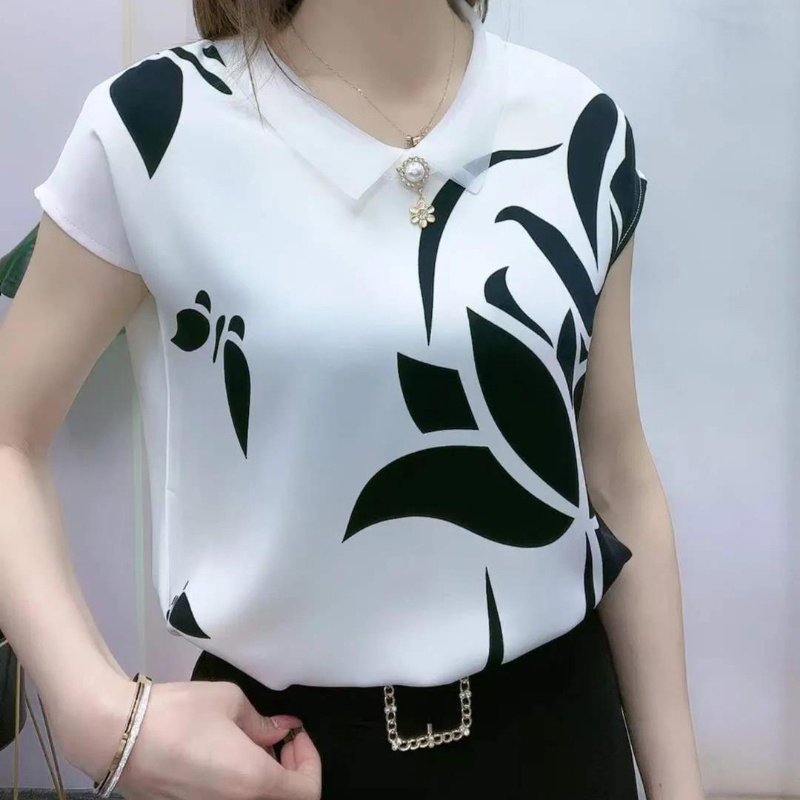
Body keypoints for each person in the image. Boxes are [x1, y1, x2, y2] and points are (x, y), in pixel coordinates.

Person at [0, 0, 706, 797]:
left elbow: (617, 479)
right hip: (285, 758)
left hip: (561, 741)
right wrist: (95, 715)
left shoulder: (578, 129)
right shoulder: (155, 128)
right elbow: (7, 438)